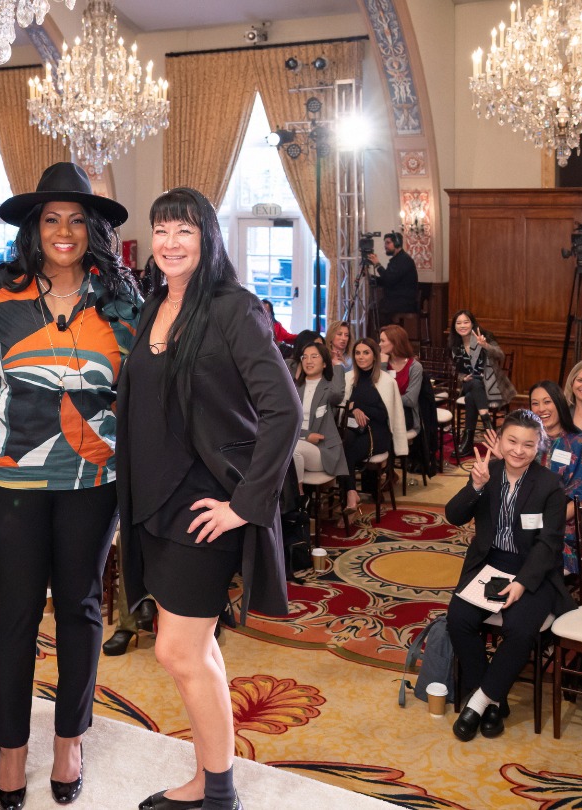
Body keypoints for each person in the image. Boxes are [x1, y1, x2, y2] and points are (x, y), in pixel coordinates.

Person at [116, 186, 300, 810]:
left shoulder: (232, 309)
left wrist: (246, 504)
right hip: (156, 504)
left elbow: (284, 410)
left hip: (204, 508)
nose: (169, 243)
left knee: (177, 650)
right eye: (160, 230)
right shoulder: (154, 305)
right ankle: (208, 780)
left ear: (208, 239)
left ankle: (218, 792)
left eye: (184, 231)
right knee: (199, 649)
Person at [0, 162, 141, 810]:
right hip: (9, 475)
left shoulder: (123, 305)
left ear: (93, 229)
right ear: (32, 228)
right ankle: (11, 747)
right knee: (13, 614)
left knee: (78, 607)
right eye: (51, 218)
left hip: (92, 478)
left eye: (77, 218)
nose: (64, 230)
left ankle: (70, 739)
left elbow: (144, 396)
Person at [446, 410, 573, 742]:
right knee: (458, 618)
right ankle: (494, 701)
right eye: (512, 441)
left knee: (519, 629)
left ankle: (477, 702)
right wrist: (475, 485)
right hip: (488, 564)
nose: (519, 450)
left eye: (528, 445)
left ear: (539, 448)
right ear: (500, 440)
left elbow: (549, 544)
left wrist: (522, 582)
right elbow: (453, 516)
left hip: (534, 570)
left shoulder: (548, 484)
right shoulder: (489, 472)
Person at [527, 381, 582, 573]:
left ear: (559, 403)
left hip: (561, 529)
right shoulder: (526, 442)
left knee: (536, 563)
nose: (541, 408)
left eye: (547, 402)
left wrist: (541, 523)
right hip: (522, 521)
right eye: (535, 403)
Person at [341, 337, 406, 517]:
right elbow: (340, 409)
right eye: (358, 353)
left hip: (378, 433)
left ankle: (350, 499)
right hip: (353, 429)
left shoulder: (386, 381)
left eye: (366, 353)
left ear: (375, 356)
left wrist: (360, 408)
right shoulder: (348, 379)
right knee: (344, 444)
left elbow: (385, 414)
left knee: (345, 452)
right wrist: (353, 409)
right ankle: (351, 495)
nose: (361, 357)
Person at [449, 310, 514, 458]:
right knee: (474, 383)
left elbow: (500, 355)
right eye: (458, 323)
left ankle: (467, 443)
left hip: (490, 385)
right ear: (454, 326)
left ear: (472, 323)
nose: (462, 326)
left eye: (466, 322)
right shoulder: (454, 344)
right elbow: (453, 370)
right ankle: (488, 425)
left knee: (472, 396)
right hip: (468, 384)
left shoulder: (484, 336)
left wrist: (485, 345)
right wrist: (462, 378)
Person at [291, 340, 347, 491]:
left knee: (290, 450)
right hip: (300, 442)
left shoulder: (328, 388)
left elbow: (337, 394)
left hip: (323, 450)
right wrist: (305, 435)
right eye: (305, 357)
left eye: (314, 356)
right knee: (290, 451)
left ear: (324, 363)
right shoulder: (295, 388)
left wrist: (338, 366)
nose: (308, 361)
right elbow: (287, 422)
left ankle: (296, 501)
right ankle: (299, 498)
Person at [379, 324, 421, 430]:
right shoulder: (381, 363)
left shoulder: (414, 367)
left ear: (395, 342)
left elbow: (410, 400)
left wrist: (386, 398)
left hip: (404, 412)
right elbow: (377, 391)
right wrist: (383, 365)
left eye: (383, 341)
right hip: (383, 410)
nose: (379, 344)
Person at [369, 232, 418, 324]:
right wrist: (370, 278)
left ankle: (389, 335)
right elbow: (387, 280)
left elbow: (389, 279)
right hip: (398, 299)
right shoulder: (396, 260)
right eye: (385, 243)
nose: (385, 246)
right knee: (379, 306)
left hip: (404, 301)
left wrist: (377, 264)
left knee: (381, 309)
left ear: (397, 244)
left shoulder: (403, 260)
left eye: (388, 243)